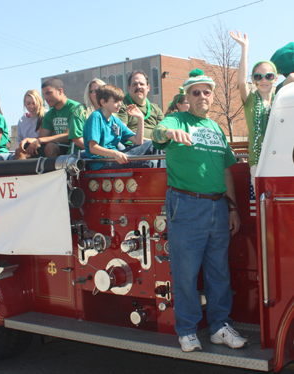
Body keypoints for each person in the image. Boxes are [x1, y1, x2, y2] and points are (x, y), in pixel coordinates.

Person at [151, 69, 247, 352]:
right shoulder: (177, 119)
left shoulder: (217, 128)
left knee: (219, 272)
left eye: (207, 92)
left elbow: (226, 171)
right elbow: (158, 132)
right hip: (187, 204)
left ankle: (219, 327)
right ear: (187, 97)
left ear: (212, 96)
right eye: (196, 92)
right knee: (186, 272)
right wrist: (169, 131)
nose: (202, 96)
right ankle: (187, 330)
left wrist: (232, 208)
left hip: (219, 206)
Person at [230, 30, 278, 188]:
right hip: (258, 162)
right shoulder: (250, 101)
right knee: (263, 207)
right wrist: (245, 48)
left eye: (269, 76)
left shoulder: (281, 99)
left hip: (281, 159)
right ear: (253, 80)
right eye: (258, 77)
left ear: (275, 79)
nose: (264, 80)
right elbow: (242, 83)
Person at [83, 84, 156, 170]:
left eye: (120, 101)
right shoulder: (96, 117)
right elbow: (93, 148)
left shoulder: (116, 121)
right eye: (115, 101)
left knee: (154, 144)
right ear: (103, 102)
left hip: (116, 159)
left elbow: (138, 141)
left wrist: (140, 118)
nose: (120, 104)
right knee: (148, 162)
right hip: (101, 163)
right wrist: (115, 154)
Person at [25, 78, 79, 157]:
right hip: (56, 145)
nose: (45, 98)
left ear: (60, 91)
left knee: (50, 147)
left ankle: (54, 169)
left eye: (48, 93)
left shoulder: (75, 108)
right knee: (23, 150)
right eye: (44, 95)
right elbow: (43, 138)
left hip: (73, 148)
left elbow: (69, 136)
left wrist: (41, 140)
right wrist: (29, 141)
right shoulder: (49, 114)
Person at [118, 70, 164, 143]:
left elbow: (162, 130)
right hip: (132, 146)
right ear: (128, 88)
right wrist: (147, 141)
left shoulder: (156, 108)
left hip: (155, 146)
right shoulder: (122, 104)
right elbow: (123, 130)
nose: (138, 87)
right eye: (135, 84)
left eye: (142, 84)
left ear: (148, 88)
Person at [68, 79, 106, 153]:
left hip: (107, 153)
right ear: (89, 94)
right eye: (95, 91)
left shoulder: (111, 112)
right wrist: (99, 151)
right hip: (82, 154)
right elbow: (77, 139)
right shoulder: (80, 110)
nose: (98, 93)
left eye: (101, 90)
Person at [15, 90, 47, 160]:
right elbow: (20, 141)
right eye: (28, 104)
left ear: (39, 102)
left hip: (43, 147)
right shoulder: (22, 120)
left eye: (34, 103)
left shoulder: (46, 115)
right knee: (19, 152)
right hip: (27, 150)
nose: (31, 106)